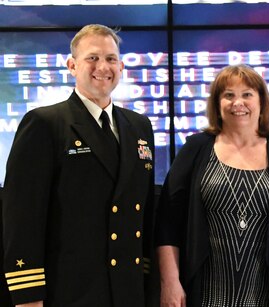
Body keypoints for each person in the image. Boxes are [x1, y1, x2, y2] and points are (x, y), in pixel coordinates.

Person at [2, 24, 156, 306]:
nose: (103, 67)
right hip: (71, 292)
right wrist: (28, 296)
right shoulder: (46, 124)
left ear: (121, 66)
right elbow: (22, 217)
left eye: (111, 58)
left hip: (128, 290)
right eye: (92, 58)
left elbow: (143, 215)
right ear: (72, 66)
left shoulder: (139, 126)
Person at [155, 64, 269, 307]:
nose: (238, 103)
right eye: (229, 95)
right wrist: (169, 282)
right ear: (217, 104)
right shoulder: (195, 149)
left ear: (262, 102)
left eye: (247, 95)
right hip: (205, 293)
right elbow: (168, 224)